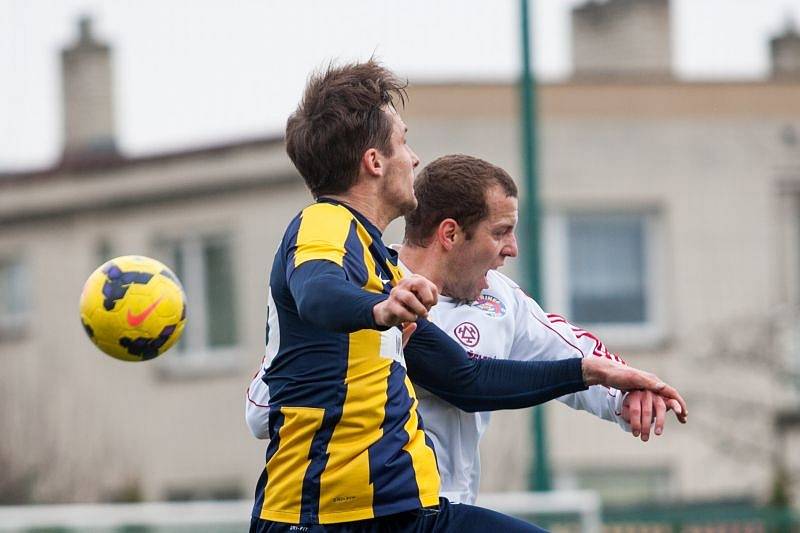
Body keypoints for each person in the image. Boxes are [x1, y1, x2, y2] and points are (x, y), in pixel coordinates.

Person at [248, 60, 686, 533]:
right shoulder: (326, 225)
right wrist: (377, 310)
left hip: (400, 512)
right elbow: (317, 293)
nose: (414, 159)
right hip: (329, 516)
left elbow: (468, 380)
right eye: (403, 142)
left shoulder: (386, 270)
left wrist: (594, 372)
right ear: (374, 161)